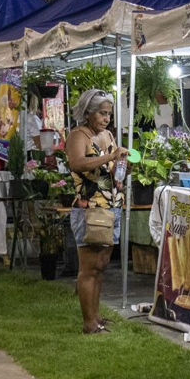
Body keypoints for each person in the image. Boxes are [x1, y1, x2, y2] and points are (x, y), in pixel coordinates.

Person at [66, 89, 128, 334]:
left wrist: (124, 163)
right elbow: (77, 163)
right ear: (88, 112)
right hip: (89, 208)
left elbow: (113, 173)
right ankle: (89, 323)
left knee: (101, 266)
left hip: (112, 206)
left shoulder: (108, 135)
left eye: (109, 114)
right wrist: (110, 156)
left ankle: (97, 317)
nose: (106, 118)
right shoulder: (78, 135)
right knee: (89, 268)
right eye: (102, 113)